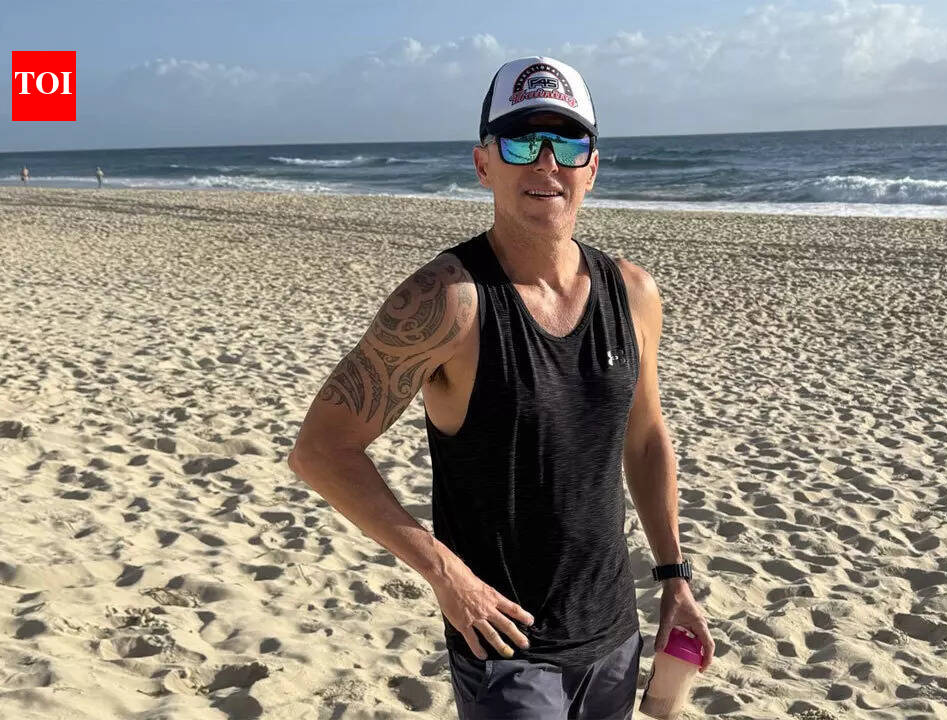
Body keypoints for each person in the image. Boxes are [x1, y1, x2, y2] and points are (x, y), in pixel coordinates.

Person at [287, 55, 713, 719]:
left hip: (613, 634)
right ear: (484, 163)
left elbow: (647, 436)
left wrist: (674, 578)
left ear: (592, 168)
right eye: (520, 142)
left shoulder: (632, 294)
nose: (546, 163)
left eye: (567, 143)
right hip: (505, 647)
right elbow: (320, 450)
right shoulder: (447, 301)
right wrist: (445, 574)